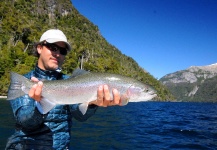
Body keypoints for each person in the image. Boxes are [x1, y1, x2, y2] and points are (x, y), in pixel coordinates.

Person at [6, 29, 122, 150]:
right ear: (39, 48)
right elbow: (25, 123)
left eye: (62, 51)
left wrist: (92, 103)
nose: (57, 54)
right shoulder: (24, 82)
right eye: (53, 48)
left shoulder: (71, 82)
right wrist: (40, 107)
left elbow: (80, 116)